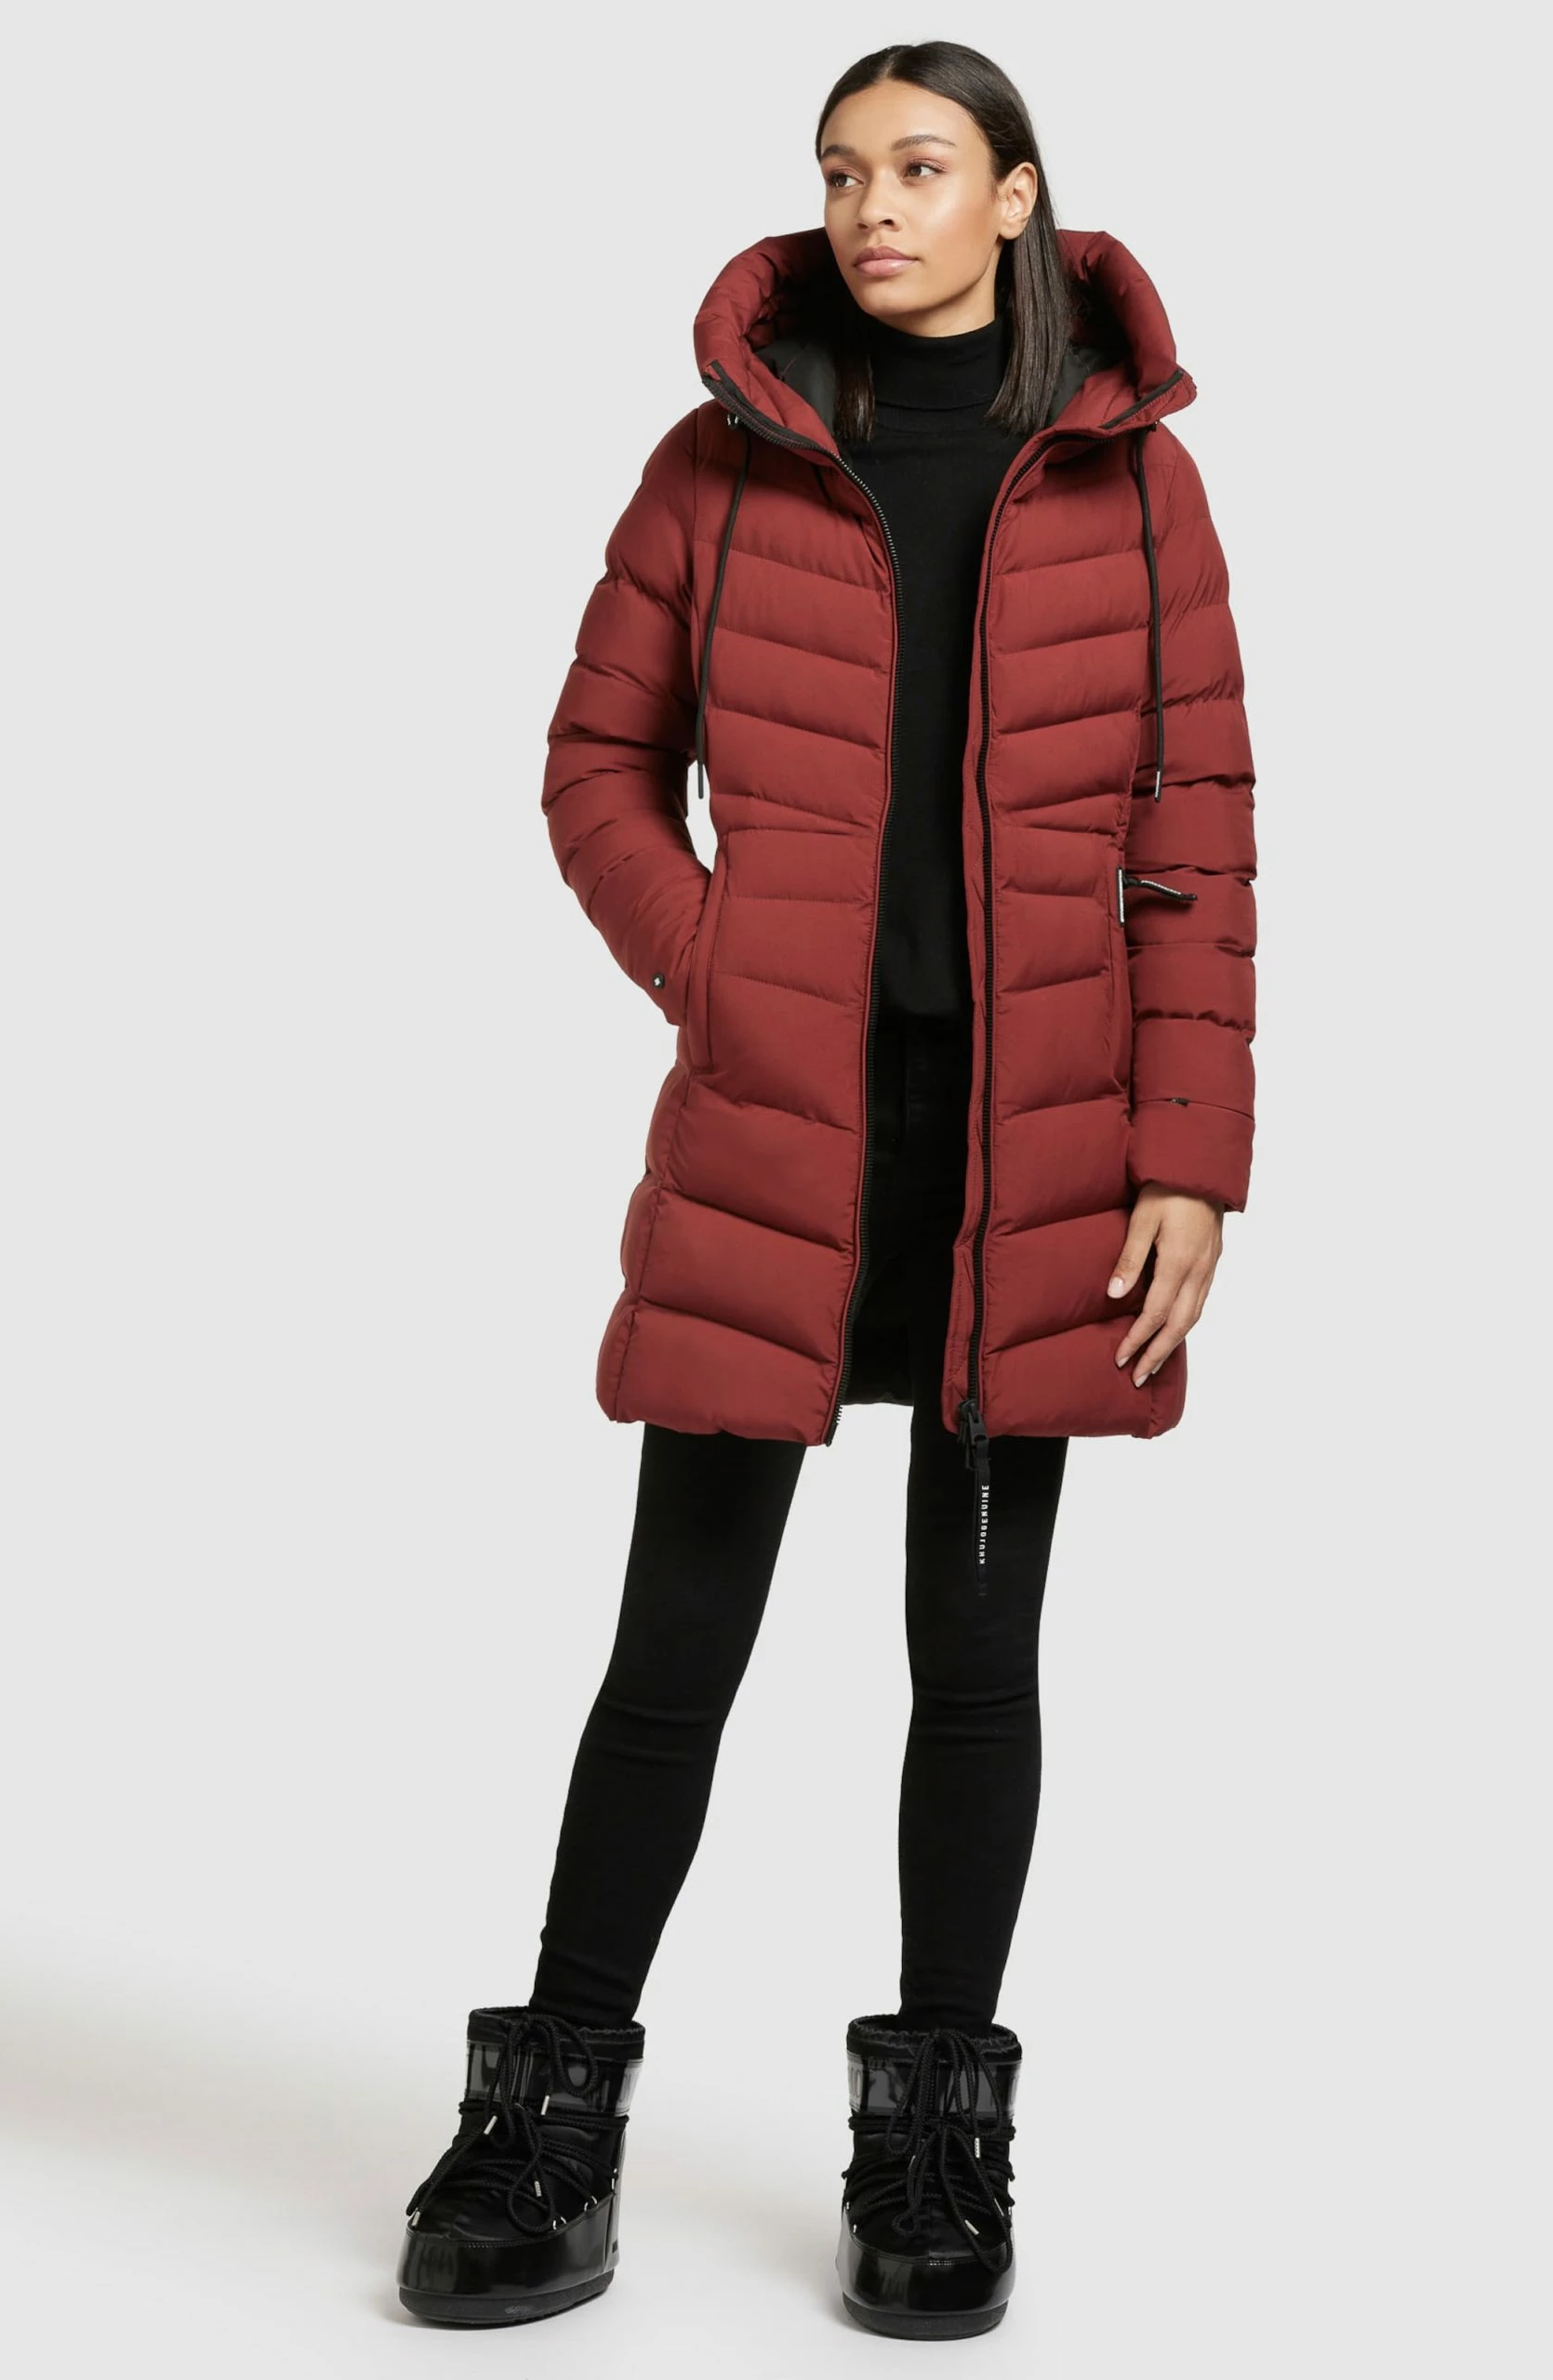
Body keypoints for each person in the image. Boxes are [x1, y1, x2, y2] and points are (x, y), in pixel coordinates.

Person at [396, 37, 1255, 2342]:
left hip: (1028, 1143)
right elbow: (595, 761)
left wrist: (1189, 1155)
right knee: (675, 1642)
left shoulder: (1136, 486)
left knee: (973, 1656)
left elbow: (1192, 836)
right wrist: (721, 971)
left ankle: (932, 2143)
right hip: (787, 1129)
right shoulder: (724, 454)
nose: (873, 206)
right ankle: (545, 2116)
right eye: (841, 170)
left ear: (1014, 200)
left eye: (919, 167)